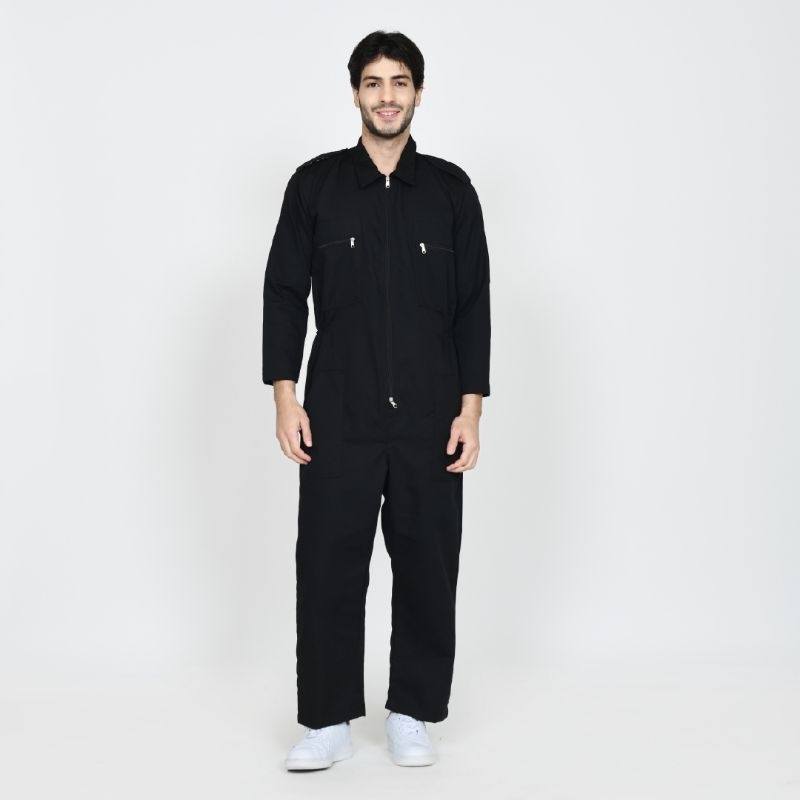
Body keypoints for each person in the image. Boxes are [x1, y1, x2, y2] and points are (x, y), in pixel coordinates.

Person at [261, 30, 491, 771]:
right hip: (339, 411)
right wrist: (285, 397)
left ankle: (412, 712)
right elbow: (284, 292)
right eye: (373, 82)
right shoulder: (316, 186)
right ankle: (326, 720)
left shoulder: (450, 190)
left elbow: (474, 304)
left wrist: (470, 409)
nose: (386, 96)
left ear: (418, 92)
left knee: (428, 564)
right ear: (356, 92)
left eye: (399, 82)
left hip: (431, 416)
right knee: (328, 563)